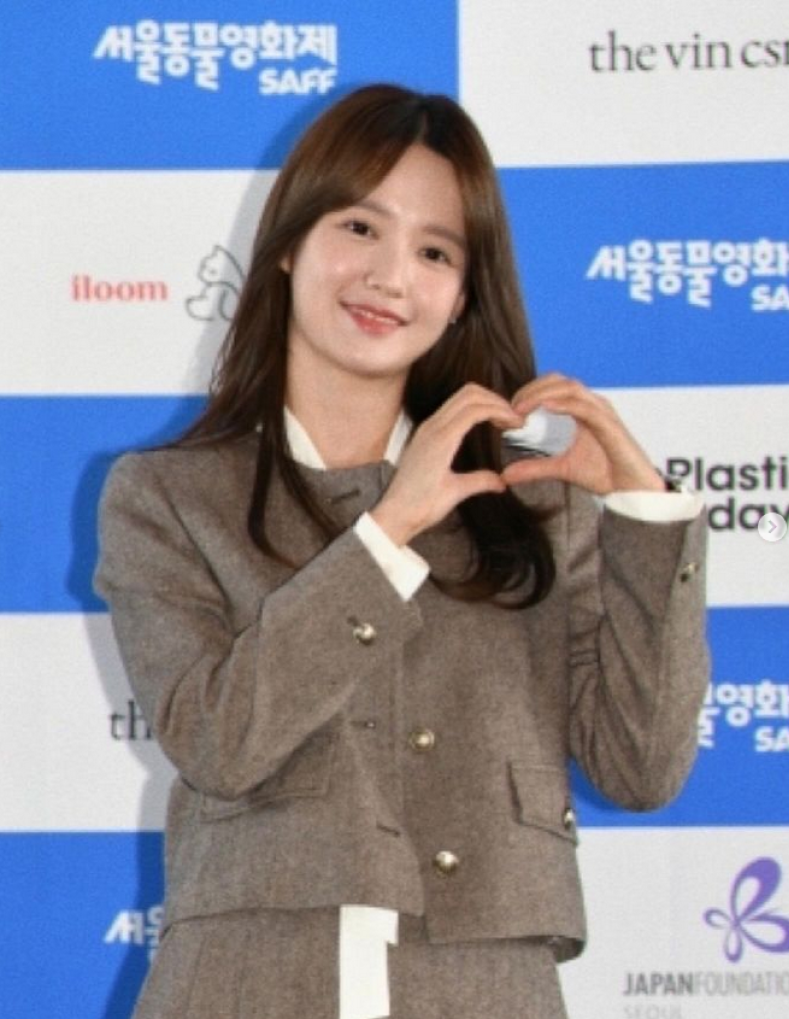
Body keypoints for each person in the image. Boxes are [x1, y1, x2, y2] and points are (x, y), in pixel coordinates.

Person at [95, 83, 709, 1019]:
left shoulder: (533, 507)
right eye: (359, 227)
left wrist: (643, 517)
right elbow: (219, 741)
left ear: (463, 296)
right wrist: (387, 534)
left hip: (485, 988)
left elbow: (642, 768)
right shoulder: (168, 497)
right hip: (246, 984)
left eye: (434, 252)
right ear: (289, 243)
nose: (391, 276)